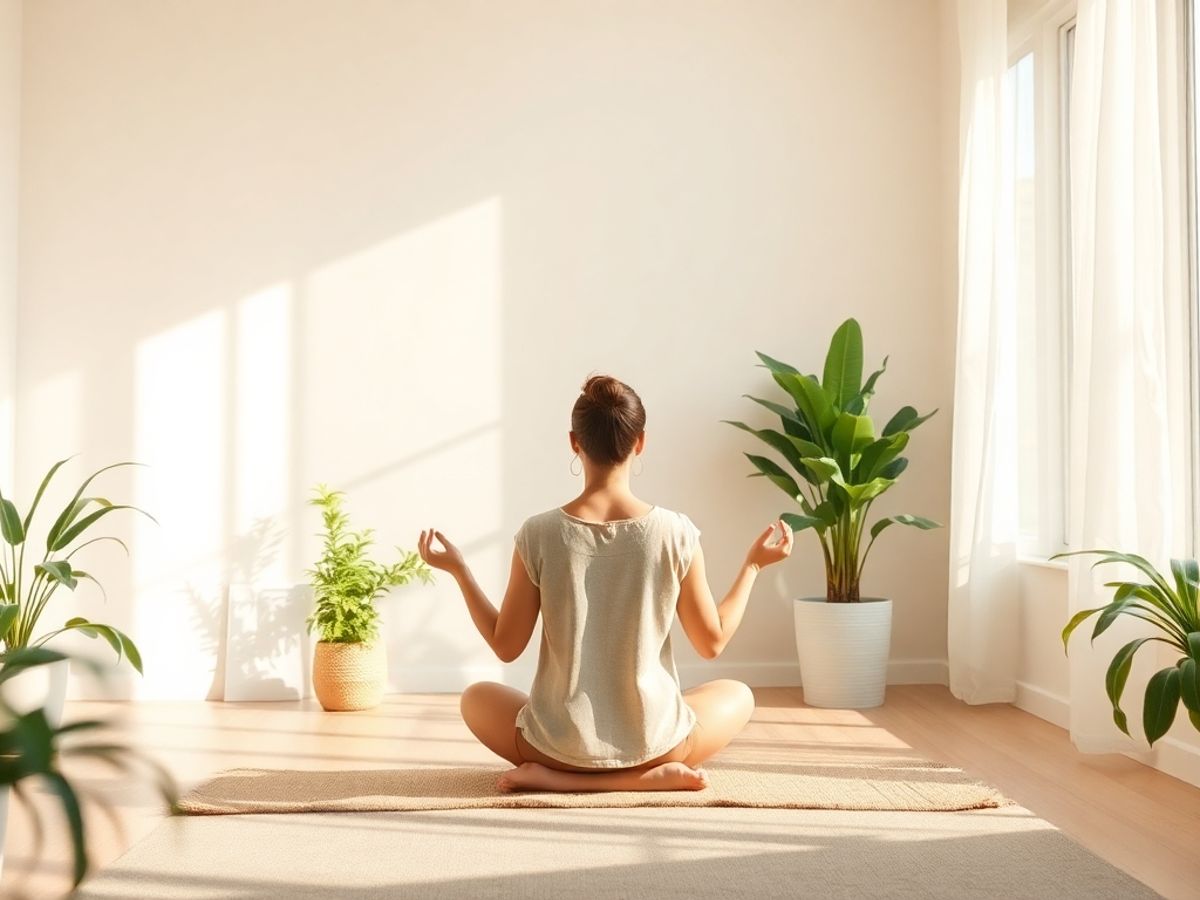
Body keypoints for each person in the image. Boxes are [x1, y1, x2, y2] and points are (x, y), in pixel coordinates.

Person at [417, 374, 793, 793]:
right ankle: (639, 778)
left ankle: (562, 779)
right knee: (738, 693)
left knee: (475, 698)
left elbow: (506, 646)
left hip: (554, 747)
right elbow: (712, 642)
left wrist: (460, 571)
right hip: (658, 747)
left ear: (574, 442)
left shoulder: (538, 534)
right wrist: (753, 567)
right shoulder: (675, 532)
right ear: (640, 442)